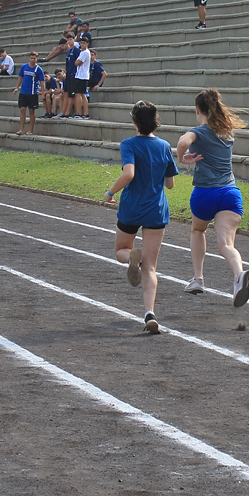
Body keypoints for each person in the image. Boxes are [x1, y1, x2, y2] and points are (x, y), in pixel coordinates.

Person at [177, 88, 249, 307]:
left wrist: (183, 158)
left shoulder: (198, 131)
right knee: (226, 244)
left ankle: (198, 278)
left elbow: (183, 142)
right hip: (230, 193)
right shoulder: (227, 132)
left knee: (198, 230)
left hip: (205, 192)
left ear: (197, 109)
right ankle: (239, 275)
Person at [106, 101, 178, 333]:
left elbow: (129, 174)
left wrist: (110, 192)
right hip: (156, 209)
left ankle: (131, 257)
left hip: (132, 207)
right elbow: (170, 183)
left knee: (120, 251)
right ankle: (149, 314)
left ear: (135, 121)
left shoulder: (128, 144)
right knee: (150, 267)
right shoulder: (165, 145)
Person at [12, 51, 45, 135]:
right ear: (29, 58)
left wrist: (43, 93)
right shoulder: (24, 67)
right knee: (22, 109)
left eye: (34, 58)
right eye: (31, 58)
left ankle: (31, 130)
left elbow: (42, 82)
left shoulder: (39, 69)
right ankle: (22, 129)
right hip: (23, 92)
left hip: (33, 93)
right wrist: (16, 87)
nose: (33, 60)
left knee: (31, 111)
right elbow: (20, 77)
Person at [71, 37, 92, 119]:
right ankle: (83, 113)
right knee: (81, 94)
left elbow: (77, 62)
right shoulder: (83, 52)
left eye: (84, 43)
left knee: (80, 94)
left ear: (87, 44)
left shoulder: (85, 52)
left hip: (82, 76)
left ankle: (80, 113)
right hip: (81, 75)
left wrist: (76, 61)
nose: (82, 44)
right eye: (81, 43)